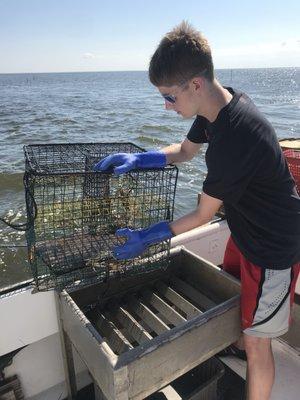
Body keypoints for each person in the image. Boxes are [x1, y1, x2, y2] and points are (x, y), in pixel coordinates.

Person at [94, 21, 300, 400]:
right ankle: (237, 345)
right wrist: (139, 159)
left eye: (170, 97)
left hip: (274, 246)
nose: (166, 105)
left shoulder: (234, 138)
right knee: (238, 296)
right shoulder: (218, 108)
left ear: (196, 84)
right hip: (246, 228)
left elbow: (201, 217)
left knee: (259, 344)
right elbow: (186, 152)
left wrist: (146, 237)